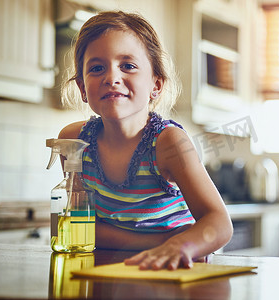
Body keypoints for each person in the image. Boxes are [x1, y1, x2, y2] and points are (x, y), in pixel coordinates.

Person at [58, 10, 233, 270]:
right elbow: (84, 230)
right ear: (83, 88)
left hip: (173, 271)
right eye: (96, 68)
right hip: (112, 272)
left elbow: (218, 223)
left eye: (127, 65)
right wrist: (162, 239)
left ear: (156, 85)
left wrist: (179, 245)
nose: (112, 78)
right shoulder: (73, 142)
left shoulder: (168, 144)